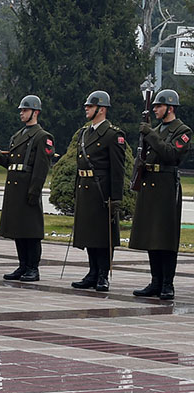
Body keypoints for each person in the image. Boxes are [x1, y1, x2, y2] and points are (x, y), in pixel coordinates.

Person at [130, 89, 193, 300]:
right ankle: (155, 281)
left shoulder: (182, 131)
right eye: (154, 106)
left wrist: (150, 134)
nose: (155, 109)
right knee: (151, 236)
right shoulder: (155, 128)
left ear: (170, 108)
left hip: (167, 185)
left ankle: (168, 283)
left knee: (165, 236)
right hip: (150, 184)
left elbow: (171, 154)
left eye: (159, 106)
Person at [0, 95, 53, 282]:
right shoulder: (17, 136)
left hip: (28, 187)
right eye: (21, 110)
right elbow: (12, 163)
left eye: (25, 110)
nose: (21, 113)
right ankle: (22, 265)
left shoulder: (42, 136)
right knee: (18, 230)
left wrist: (34, 191)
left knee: (31, 231)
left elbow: (41, 167)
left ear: (35, 112)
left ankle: (33, 268)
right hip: (15, 189)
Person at [70, 91, 126, 292]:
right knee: (89, 234)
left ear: (101, 109)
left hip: (102, 190)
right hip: (86, 189)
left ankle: (103, 274)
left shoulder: (113, 135)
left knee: (103, 235)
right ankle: (92, 272)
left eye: (90, 106)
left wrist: (116, 198)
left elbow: (118, 170)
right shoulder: (85, 133)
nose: (86, 108)